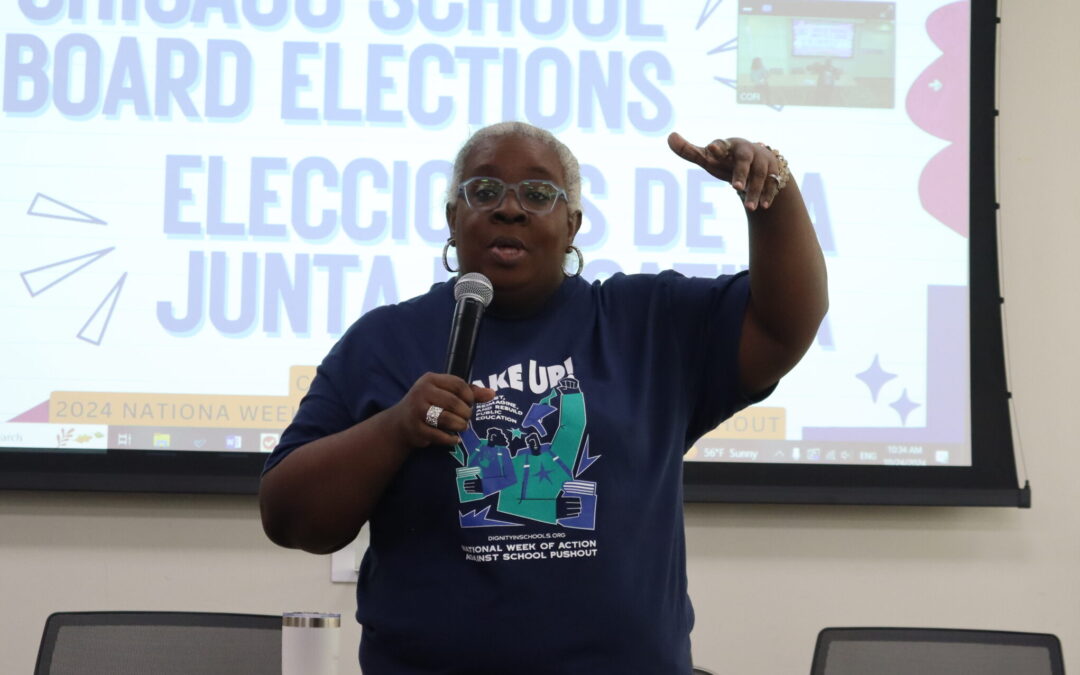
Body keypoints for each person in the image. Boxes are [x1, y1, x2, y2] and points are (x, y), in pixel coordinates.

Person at [259, 121, 828, 674]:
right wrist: (395, 428)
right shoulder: (385, 342)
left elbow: (786, 324)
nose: (510, 208)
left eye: (538, 193)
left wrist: (772, 193)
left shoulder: (646, 323)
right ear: (453, 219)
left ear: (573, 224)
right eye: (484, 190)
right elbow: (290, 516)